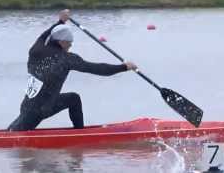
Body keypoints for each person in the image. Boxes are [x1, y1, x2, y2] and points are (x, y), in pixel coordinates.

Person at [8, 9, 137, 131]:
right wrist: (124, 67)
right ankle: (80, 135)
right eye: (69, 42)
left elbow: (45, 35)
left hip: (28, 106)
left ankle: (79, 133)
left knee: (73, 98)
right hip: (41, 109)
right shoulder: (66, 59)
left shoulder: (36, 49)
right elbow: (97, 69)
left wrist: (61, 21)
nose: (71, 45)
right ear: (62, 42)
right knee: (13, 136)